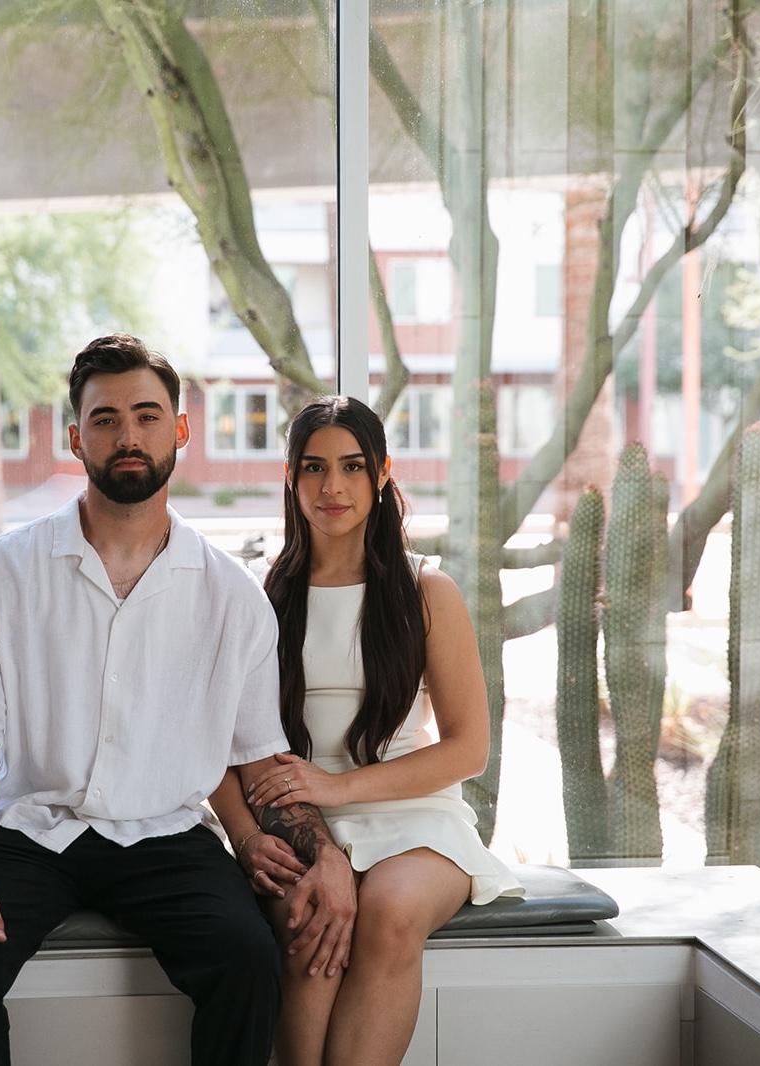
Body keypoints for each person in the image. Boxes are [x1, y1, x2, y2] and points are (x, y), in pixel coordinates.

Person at [0, 335, 356, 1066]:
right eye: (106, 419)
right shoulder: (3, 572)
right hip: (29, 831)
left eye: (148, 416)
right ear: (75, 438)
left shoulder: (233, 598)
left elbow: (259, 761)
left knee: (248, 958)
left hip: (166, 834)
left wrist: (328, 857)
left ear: (179, 430)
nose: (128, 436)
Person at [214, 396, 523, 1066]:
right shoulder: (261, 596)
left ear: (382, 474)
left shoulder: (426, 591)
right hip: (297, 819)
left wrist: (338, 787)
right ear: (291, 478)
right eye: (314, 467)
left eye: (352, 467)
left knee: (389, 913)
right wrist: (270, 825)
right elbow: (225, 744)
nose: (333, 486)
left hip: (416, 818)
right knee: (308, 920)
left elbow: (469, 748)